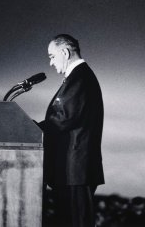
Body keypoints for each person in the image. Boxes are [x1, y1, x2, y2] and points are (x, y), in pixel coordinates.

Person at [36, 34, 105, 227]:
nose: (50, 63)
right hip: (72, 171)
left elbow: (64, 118)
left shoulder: (80, 77)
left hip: (76, 171)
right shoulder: (78, 77)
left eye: (51, 56)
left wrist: (32, 128)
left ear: (65, 52)